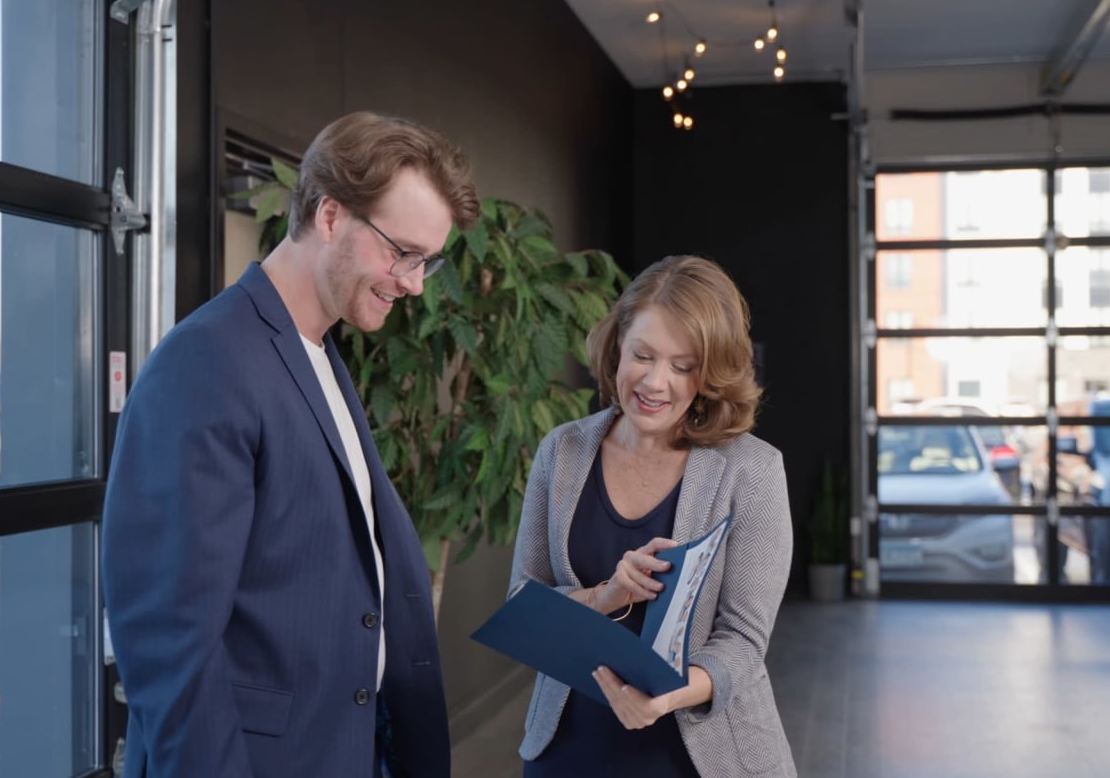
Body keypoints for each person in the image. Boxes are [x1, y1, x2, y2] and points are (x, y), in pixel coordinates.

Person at [101, 111, 479, 778]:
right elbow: (171, 647)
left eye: (427, 261)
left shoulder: (320, 353)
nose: (415, 282)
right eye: (402, 253)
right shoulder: (207, 362)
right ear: (331, 215)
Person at [508, 255, 797, 777]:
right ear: (618, 346)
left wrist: (664, 696)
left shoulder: (751, 471)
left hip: (697, 758)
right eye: (643, 355)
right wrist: (605, 595)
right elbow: (521, 605)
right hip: (567, 752)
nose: (656, 383)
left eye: (683, 366)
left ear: (709, 374)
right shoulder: (563, 452)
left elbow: (743, 643)